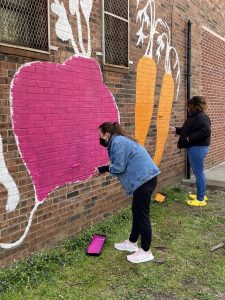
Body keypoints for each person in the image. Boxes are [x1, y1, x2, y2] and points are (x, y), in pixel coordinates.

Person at [95, 122, 160, 264]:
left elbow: (119, 166)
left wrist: (103, 169)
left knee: (142, 214)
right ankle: (131, 242)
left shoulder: (117, 142)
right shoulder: (119, 140)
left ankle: (146, 251)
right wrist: (106, 169)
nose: (100, 138)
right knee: (136, 211)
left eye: (100, 135)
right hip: (144, 179)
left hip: (144, 179)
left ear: (107, 134)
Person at [170, 96, 211, 207]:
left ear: (194, 106)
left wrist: (189, 138)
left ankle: (201, 199)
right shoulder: (195, 116)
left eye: (189, 105)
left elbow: (206, 131)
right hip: (196, 147)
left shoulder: (201, 117)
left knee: (198, 172)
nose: (188, 108)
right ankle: (201, 194)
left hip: (197, 148)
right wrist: (176, 130)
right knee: (199, 172)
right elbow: (187, 130)